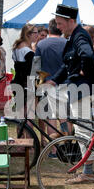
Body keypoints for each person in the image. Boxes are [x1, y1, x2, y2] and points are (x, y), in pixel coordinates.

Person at [47, 4, 94, 184]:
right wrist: (53, 80)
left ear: (71, 21)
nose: (58, 27)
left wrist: (83, 72)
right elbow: (67, 65)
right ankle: (86, 165)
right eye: (56, 23)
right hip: (80, 89)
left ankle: (87, 172)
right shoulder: (74, 36)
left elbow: (87, 56)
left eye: (60, 23)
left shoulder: (79, 36)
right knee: (82, 126)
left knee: (83, 129)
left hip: (83, 90)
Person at [34, 18, 68, 146]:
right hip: (65, 83)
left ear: (49, 30)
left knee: (51, 117)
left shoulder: (41, 44)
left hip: (47, 84)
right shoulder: (67, 43)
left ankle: (53, 150)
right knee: (64, 116)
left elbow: (35, 67)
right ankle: (67, 145)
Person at [11, 24, 38, 90]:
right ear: (28, 34)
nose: (37, 35)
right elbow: (30, 72)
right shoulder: (27, 51)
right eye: (35, 33)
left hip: (17, 82)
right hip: (26, 86)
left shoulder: (17, 48)